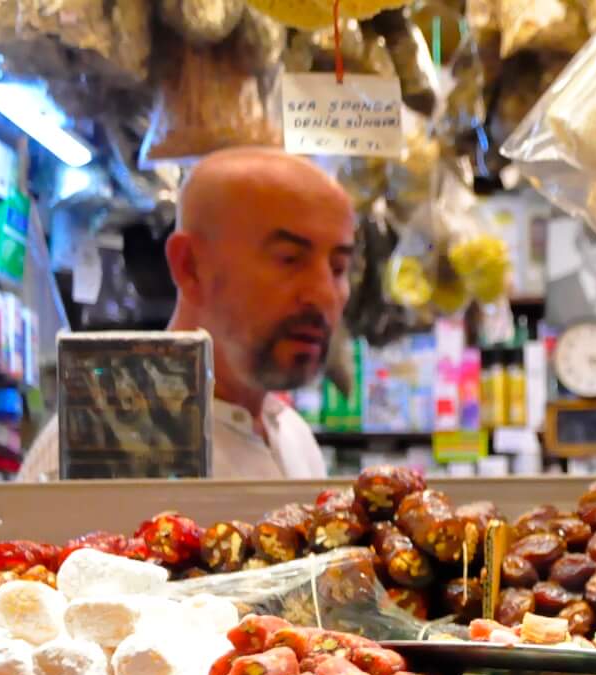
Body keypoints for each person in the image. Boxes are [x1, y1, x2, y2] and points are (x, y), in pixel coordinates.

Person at [18, 149, 356, 481]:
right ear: (190, 266)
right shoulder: (106, 441)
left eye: (339, 267)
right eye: (289, 259)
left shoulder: (294, 437)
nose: (324, 294)